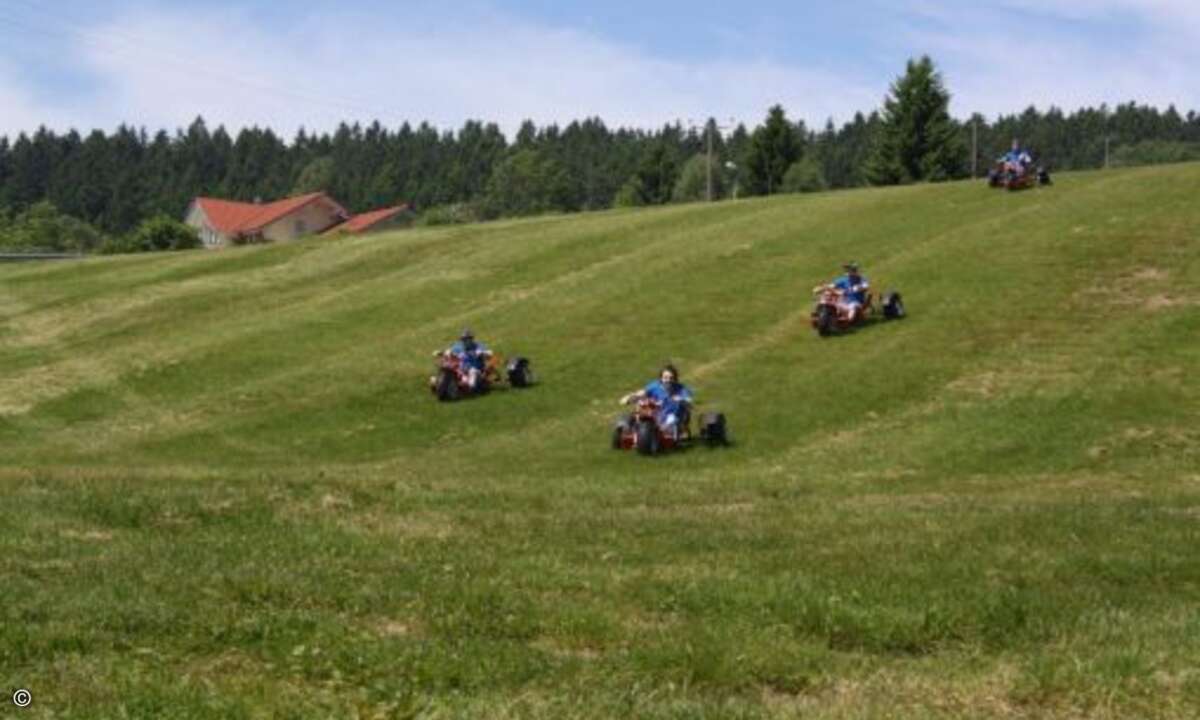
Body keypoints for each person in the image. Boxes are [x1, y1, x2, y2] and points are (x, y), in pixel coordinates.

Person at [619, 364, 694, 441]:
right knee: (637, 415)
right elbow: (642, 393)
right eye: (665, 377)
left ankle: (677, 433)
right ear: (661, 378)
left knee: (672, 420)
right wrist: (630, 397)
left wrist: (681, 399)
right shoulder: (655, 386)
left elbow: (688, 400)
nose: (668, 380)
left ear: (675, 379)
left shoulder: (681, 388)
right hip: (656, 414)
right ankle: (630, 432)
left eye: (671, 378)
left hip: (672, 416)